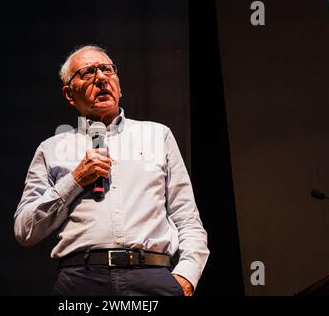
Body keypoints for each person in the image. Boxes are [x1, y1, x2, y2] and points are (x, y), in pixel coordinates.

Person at [14, 45, 209, 296]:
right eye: (88, 72)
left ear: (119, 85)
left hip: (152, 276)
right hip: (81, 280)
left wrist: (186, 277)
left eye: (107, 70)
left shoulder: (157, 135)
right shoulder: (51, 148)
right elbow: (25, 230)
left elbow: (187, 219)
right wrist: (74, 180)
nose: (101, 78)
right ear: (69, 94)